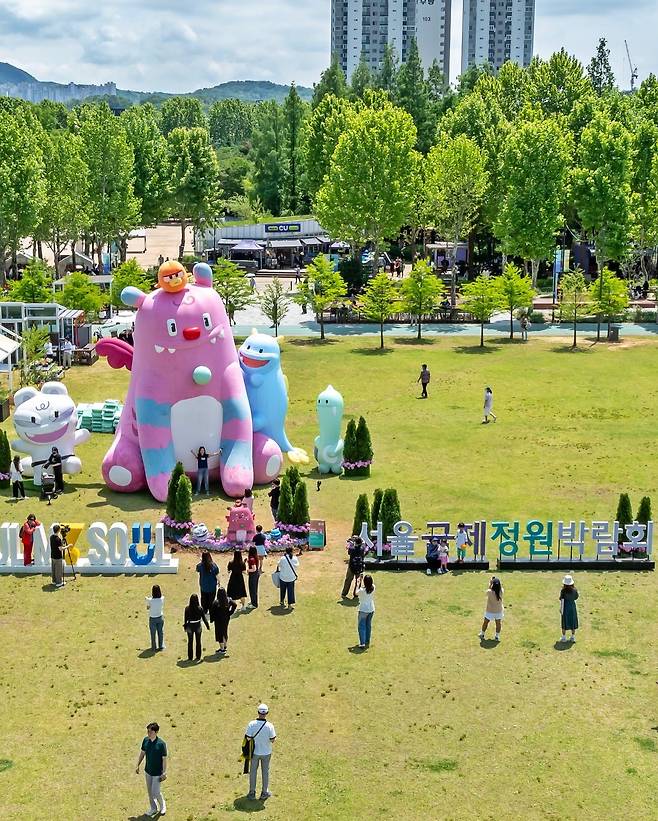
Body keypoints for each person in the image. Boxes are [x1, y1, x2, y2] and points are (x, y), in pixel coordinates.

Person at [245, 704, 276, 801]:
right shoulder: (270, 726)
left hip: (255, 752)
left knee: (253, 772)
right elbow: (272, 739)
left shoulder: (251, 724)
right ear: (267, 713)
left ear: (258, 712)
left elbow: (248, 738)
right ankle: (264, 792)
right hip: (266, 752)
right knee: (265, 772)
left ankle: (252, 792)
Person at [136, 721, 167, 817]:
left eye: (150, 731)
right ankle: (153, 808)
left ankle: (163, 805)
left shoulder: (161, 744)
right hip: (148, 771)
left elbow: (164, 759)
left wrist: (164, 772)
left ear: (156, 732)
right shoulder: (145, 740)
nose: (148, 733)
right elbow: (142, 753)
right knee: (150, 792)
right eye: (148, 731)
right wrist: (138, 765)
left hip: (157, 773)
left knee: (156, 792)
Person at [209, 586, 237, 653]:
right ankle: (225, 646)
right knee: (224, 631)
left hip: (218, 620)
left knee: (219, 633)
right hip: (226, 619)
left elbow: (212, 612)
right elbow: (235, 605)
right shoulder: (228, 600)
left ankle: (222, 649)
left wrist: (212, 619)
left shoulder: (216, 602)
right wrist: (230, 613)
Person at [183, 593, 209, 661]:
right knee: (198, 641)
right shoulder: (200, 608)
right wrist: (207, 626)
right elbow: (204, 618)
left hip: (190, 626)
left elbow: (185, 619)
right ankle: (198, 656)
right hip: (198, 626)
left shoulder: (187, 609)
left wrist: (185, 627)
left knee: (190, 642)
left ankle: (190, 657)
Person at [479, 576, 504, 641]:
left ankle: (482, 634)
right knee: (498, 623)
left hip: (490, 611)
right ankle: (497, 636)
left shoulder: (489, 592)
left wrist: (490, 583)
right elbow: (500, 586)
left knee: (485, 622)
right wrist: (497, 582)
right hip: (499, 611)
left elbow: (489, 589)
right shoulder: (501, 591)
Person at [356, 574, 375, 649]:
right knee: (368, 625)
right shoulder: (373, 587)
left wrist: (358, 582)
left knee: (361, 626)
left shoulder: (362, 591)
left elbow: (356, 592)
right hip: (371, 609)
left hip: (363, 610)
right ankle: (367, 640)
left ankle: (362, 643)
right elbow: (369, 586)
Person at [560, 575, 579, 643]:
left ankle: (564, 637)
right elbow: (576, 597)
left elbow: (561, 598)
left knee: (564, 622)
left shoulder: (563, 591)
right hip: (572, 607)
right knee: (572, 621)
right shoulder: (575, 590)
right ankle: (573, 637)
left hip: (565, 607)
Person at [146, 585, 165, 651]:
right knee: (160, 632)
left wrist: (147, 600)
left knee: (153, 634)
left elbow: (148, 608)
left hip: (152, 618)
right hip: (160, 617)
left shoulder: (150, 600)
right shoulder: (162, 599)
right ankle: (161, 646)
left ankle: (154, 647)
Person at [50, 523, 65, 588]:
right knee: (58, 570)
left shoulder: (51, 537)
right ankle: (59, 582)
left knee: (53, 569)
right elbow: (60, 549)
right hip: (58, 557)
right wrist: (68, 546)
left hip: (52, 555)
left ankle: (54, 581)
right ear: (58, 530)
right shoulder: (58, 539)